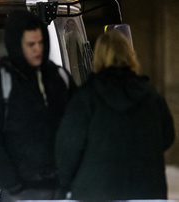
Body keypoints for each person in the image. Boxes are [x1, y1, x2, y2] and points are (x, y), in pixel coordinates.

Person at [55, 30, 175, 200]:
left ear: (98, 56)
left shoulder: (86, 97)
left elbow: (68, 146)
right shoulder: (151, 97)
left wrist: (67, 183)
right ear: (130, 55)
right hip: (146, 190)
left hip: (95, 190)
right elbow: (168, 136)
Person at [0, 10, 74, 200]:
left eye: (41, 43)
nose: (37, 49)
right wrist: (13, 184)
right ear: (17, 45)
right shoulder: (0, 85)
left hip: (59, 186)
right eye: (31, 44)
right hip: (20, 190)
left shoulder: (60, 77)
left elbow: (78, 125)